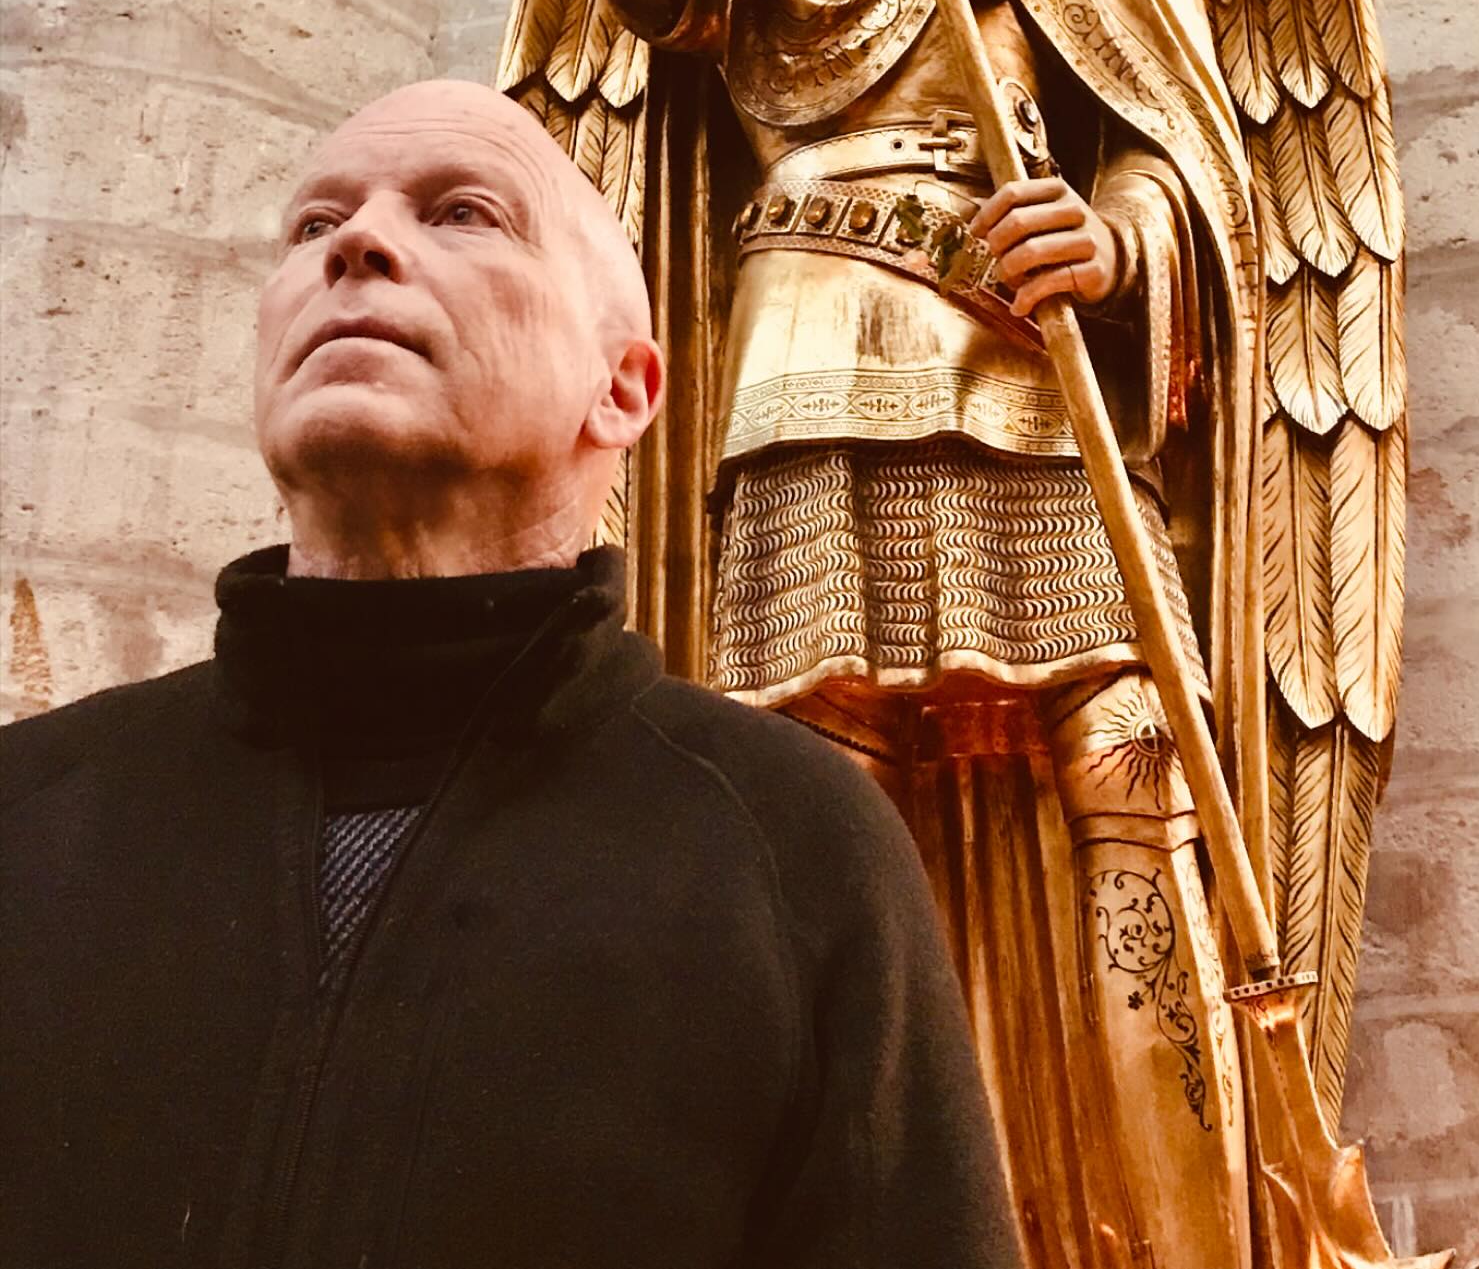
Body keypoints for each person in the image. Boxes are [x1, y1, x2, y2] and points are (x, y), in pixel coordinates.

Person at [501, 0, 1406, 1267]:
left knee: (1137, 780)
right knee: (813, 809)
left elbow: (1201, 171)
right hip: (817, 375)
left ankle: (1175, 1242)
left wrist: (1128, 238)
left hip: (1036, 392)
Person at [0, 78, 1021, 1269]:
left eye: (464, 212)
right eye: (314, 225)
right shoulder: (32, 810)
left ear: (623, 386)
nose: (360, 245)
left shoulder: (790, 844)